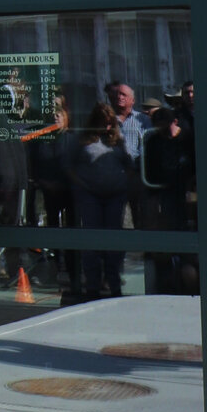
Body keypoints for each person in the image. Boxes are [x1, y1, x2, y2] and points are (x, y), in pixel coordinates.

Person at [70, 100, 132, 297]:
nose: (106, 127)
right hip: (90, 196)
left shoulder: (118, 140)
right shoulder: (82, 141)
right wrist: (82, 185)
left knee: (113, 241)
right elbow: (68, 166)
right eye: (102, 122)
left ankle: (114, 283)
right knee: (92, 241)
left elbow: (130, 164)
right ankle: (92, 285)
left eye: (109, 123)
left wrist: (125, 183)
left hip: (115, 196)